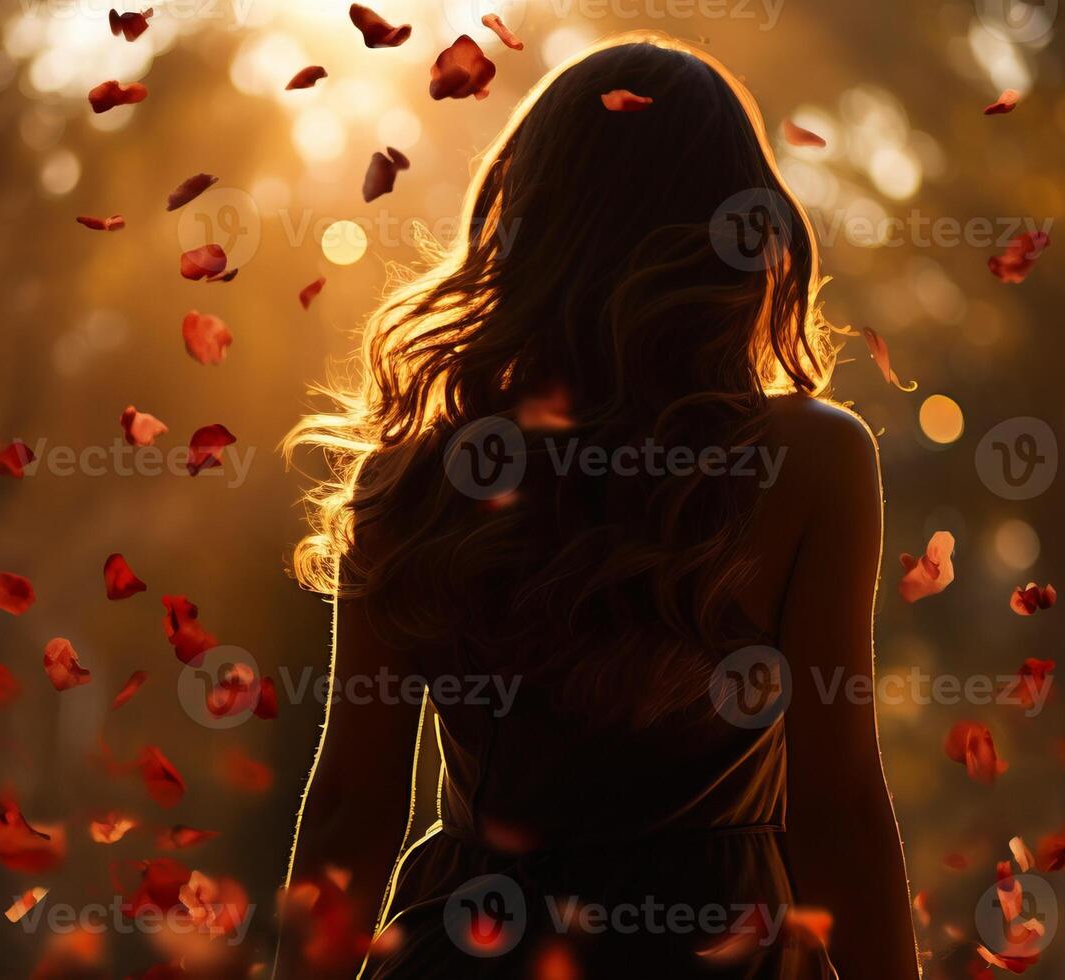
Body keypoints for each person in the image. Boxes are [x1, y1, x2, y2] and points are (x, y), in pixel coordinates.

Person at [277, 31, 920, 979]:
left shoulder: (414, 476)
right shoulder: (809, 462)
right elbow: (839, 810)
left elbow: (351, 805)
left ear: (526, 219)